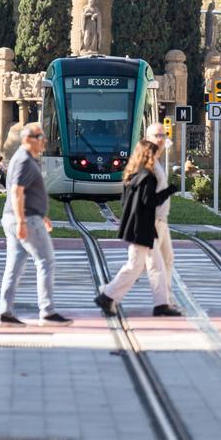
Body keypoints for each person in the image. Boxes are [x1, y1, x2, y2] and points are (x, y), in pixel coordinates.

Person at [0, 124, 72, 327]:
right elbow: (17, 192)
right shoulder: (24, 161)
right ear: (28, 139)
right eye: (41, 137)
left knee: (14, 266)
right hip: (25, 220)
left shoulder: (24, 159)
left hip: (21, 217)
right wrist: (22, 220)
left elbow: (26, 192)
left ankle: (5, 312)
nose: (44, 141)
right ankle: (47, 312)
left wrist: (42, 214)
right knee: (46, 262)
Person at [94, 140, 179, 317]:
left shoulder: (132, 175)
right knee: (136, 266)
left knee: (153, 265)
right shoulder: (147, 176)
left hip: (136, 227)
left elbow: (126, 202)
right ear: (149, 154)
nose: (157, 157)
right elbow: (150, 202)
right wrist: (169, 191)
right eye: (155, 154)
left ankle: (160, 304)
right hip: (142, 228)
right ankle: (107, 295)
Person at [145, 123, 181, 315]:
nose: (161, 138)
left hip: (161, 220)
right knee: (146, 265)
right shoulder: (147, 162)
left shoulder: (157, 160)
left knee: (166, 259)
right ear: (148, 138)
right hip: (151, 220)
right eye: (157, 135)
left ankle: (166, 301)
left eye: (163, 135)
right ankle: (108, 295)